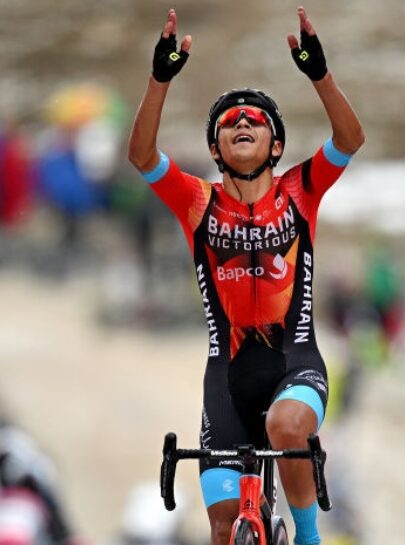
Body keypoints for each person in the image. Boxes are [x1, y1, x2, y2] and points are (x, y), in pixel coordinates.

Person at [127, 7, 364, 545]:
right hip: (227, 380)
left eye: (253, 119)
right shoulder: (196, 202)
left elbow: (350, 139)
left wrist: (318, 73)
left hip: (295, 364)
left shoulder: (300, 190)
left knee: (285, 428)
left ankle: (307, 538)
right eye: (228, 122)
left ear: (276, 147)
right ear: (215, 149)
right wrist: (159, 78)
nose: (239, 122)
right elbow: (141, 156)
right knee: (220, 527)